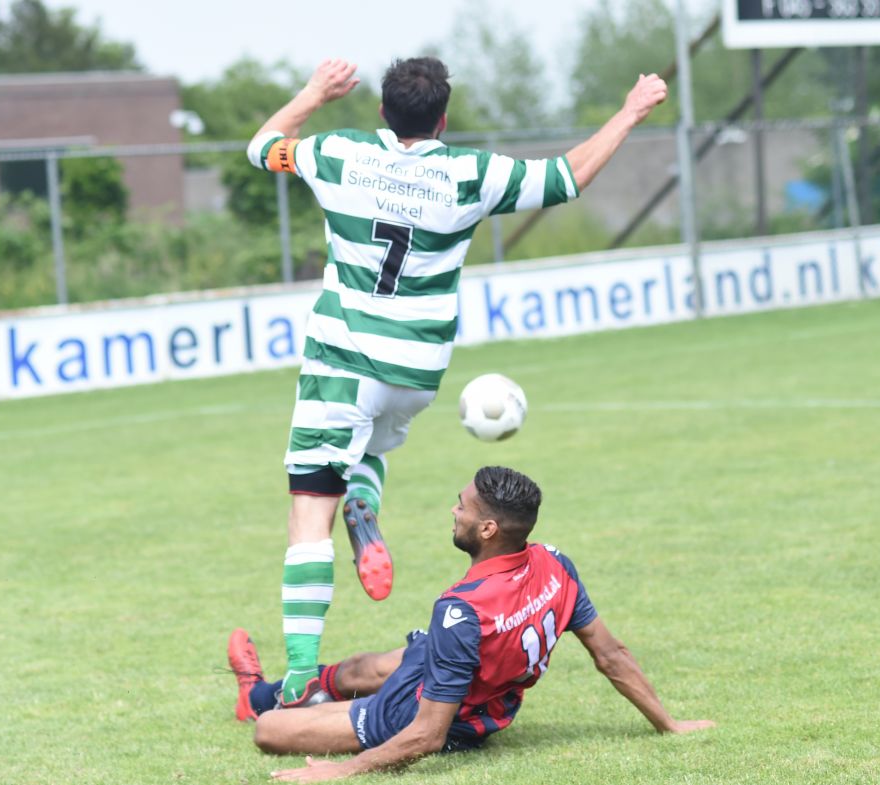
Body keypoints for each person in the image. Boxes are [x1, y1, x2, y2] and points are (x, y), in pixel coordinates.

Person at [246, 56, 669, 706]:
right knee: (370, 450)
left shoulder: (339, 154)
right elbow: (568, 176)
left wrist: (314, 93)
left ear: (383, 112)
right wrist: (631, 111)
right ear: (443, 119)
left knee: (309, 511)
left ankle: (300, 674)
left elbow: (262, 146)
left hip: (343, 363)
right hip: (416, 370)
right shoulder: (471, 173)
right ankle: (365, 504)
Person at [228, 467, 714, 780]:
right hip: (470, 666)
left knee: (270, 732)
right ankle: (258, 694)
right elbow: (611, 655)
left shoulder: (461, 609)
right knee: (362, 667)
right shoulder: (555, 564)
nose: (454, 511)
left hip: (424, 713)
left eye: (462, 506)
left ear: (487, 529)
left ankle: (289, 708)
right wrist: (669, 724)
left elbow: (427, 735)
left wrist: (342, 771)